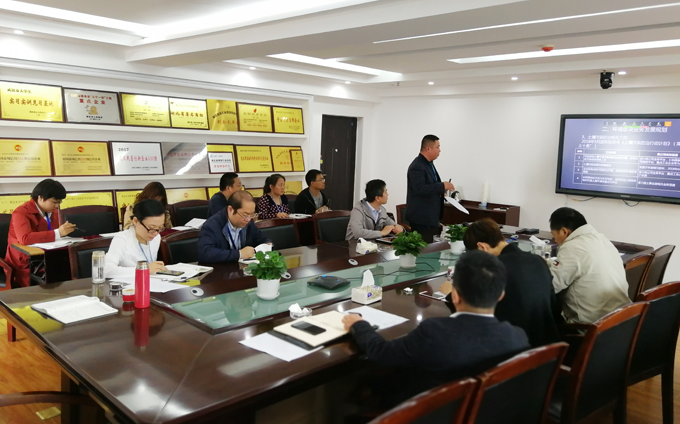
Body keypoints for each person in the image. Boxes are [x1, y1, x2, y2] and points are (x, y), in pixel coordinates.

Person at [342, 250, 529, 406]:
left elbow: (382, 354)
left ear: (454, 295)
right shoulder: (517, 338)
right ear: (501, 295)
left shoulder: (435, 332)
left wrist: (359, 324)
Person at [439, 218, 560, 347]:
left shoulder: (492, 270)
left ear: (482, 247)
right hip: (550, 346)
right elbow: (554, 306)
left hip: (513, 348)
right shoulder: (538, 261)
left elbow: (473, 314)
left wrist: (450, 293)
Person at [548, 207, 630, 324]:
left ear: (564, 231)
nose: (555, 240)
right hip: (621, 319)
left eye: (553, 235)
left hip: (590, 327)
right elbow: (579, 265)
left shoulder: (572, 247)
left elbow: (552, 286)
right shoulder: (602, 239)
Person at [5, 179, 76, 287]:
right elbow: (25, 238)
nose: (57, 206)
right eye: (54, 202)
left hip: (47, 256)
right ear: (41, 198)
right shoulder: (21, 212)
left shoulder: (54, 212)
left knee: (70, 266)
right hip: (24, 260)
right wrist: (57, 233)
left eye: (59, 202)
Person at [405, 134, 455, 242]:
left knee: (432, 247)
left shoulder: (428, 164)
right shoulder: (417, 166)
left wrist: (440, 191)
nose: (440, 150)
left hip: (431, 217)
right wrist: (442, 185)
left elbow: (430, 186)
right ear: (428, 148)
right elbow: (420, 188)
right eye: (437, 147)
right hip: (421, 219)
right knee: (424, 249)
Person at [198, 191, 271, 263]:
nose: (248, 219)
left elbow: (262, 239)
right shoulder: (212, 225)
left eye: (252, 214)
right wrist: (239, 254)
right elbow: (205, 253)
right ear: (230, 210)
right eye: (245, 215)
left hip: (242, 267)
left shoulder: (248, 222)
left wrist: (267, 245)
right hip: (222, 269)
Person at [105, 199, 167, 280]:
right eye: (151, 228)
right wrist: (143, 270)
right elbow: (106, 270)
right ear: (135, 221)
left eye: (160, 227)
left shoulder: (156, 237)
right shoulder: (122, 239)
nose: (155, 233)